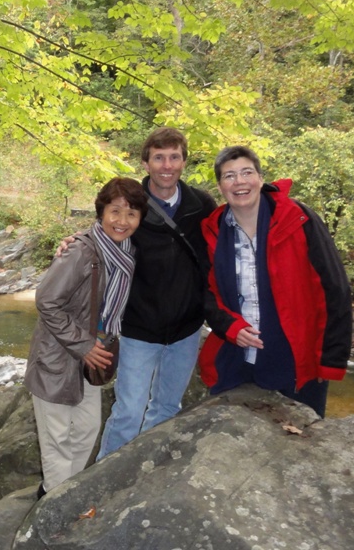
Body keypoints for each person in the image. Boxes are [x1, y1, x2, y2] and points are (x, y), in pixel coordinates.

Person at [70, 127, 218, 460]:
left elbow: (220, 251)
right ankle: (102, 482)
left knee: (167, 406)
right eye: (159, 157)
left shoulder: (200, 204)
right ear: (146, 162)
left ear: (184, 161)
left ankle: (144, 471)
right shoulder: (134, 203)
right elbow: (104, 231)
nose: (167, 165)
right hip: (138, 329)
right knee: (128, 411)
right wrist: (75, 242)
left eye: (174, 157)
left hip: (186, 330)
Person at [199, 145, 352, 417]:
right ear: (220, 186)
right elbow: (207, 293)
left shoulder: (297, 218)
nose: (239, 181)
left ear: (260, 178)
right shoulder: (213, 229)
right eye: (229, 176)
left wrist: (330, 360)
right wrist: (228, 326)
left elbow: (335, 290)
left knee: (300, 444)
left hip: (296, 360)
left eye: (247, 172)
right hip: (238, 360)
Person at [25, 177, 148, 498]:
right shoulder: (81, 251)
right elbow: (46, 300)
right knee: (56, 439)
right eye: (115, 211)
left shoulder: (125, 252)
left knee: (87, 430)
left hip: (90, 360)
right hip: (59, 358)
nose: (122, 221)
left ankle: (64, 492)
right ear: (101, 212)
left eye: (132, 214)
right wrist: (84, 345)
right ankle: (54, 499)